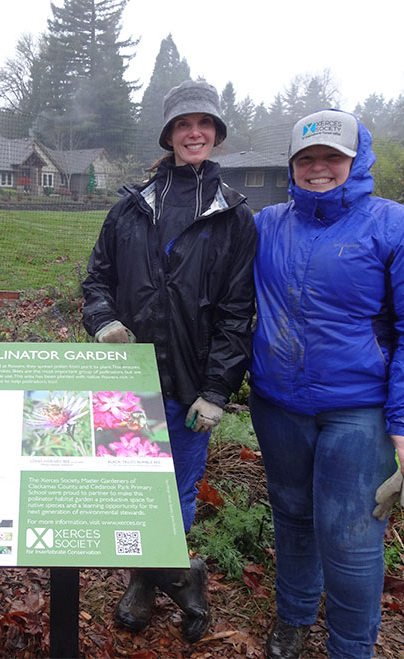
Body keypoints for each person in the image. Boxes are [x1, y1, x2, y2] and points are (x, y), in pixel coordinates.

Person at [250, 109, 404, 659]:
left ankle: (351, 646)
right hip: (277, 404)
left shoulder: (398, 227)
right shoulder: (268, 224)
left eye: (332, 158)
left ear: (357, 160)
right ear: (291, 165)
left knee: (351, 539)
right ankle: (293, 615)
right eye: (306, 159)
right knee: (291, 517)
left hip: (359, 411)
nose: (319, 169)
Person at [80, 79, 258, 643]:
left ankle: (156, 576)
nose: (194, 132)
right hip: (128, 380)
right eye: (184, 124)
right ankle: (165, 578)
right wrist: (104, 320)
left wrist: (217, 389)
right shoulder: (129, 211)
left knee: (176, 491)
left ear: (217, 135)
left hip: (189, 384)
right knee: (131, 485)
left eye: (204, 124)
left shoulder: (233, 218)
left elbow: (237, 313)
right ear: (169, 135)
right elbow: (97, 279)